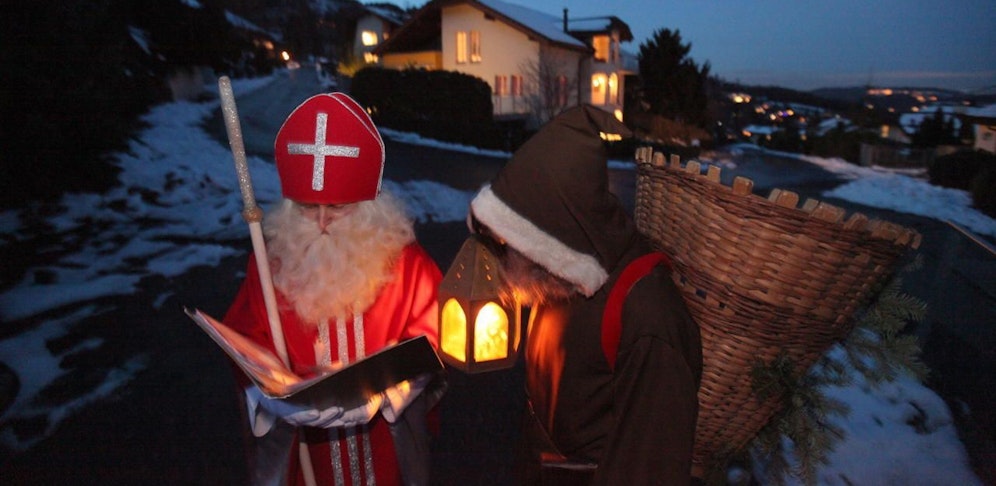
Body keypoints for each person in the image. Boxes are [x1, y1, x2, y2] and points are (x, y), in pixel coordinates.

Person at [466, 105, 703, 484]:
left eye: (508, 236)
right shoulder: (557, 276)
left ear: (545, 236)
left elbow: (648, 468)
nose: (499, 247)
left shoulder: (650, 317)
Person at [223, 93, 444, 486]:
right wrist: (277, 399)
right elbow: (244, 342)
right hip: (305, 456)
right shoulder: (270, 261)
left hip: (383, 449)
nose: (322, 221)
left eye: (338, 207)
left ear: (367, 203)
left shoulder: (407, 262)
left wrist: (386, 392)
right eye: (308, 207)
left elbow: (436, 338)